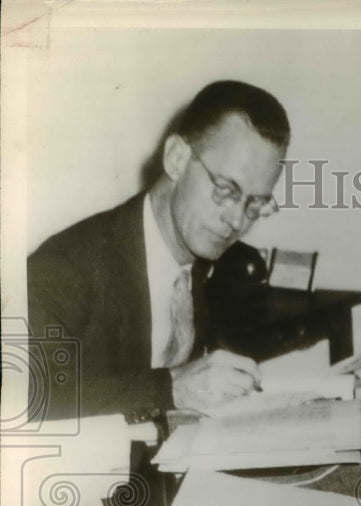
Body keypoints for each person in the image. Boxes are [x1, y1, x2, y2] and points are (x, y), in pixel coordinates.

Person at [28, 80, 290, 420]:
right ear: (177, 159)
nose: (237, 220)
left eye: (256, 203)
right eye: (225, 189)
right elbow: (24, 403)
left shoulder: (203, 258)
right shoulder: (64, 269)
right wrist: (169, 389)